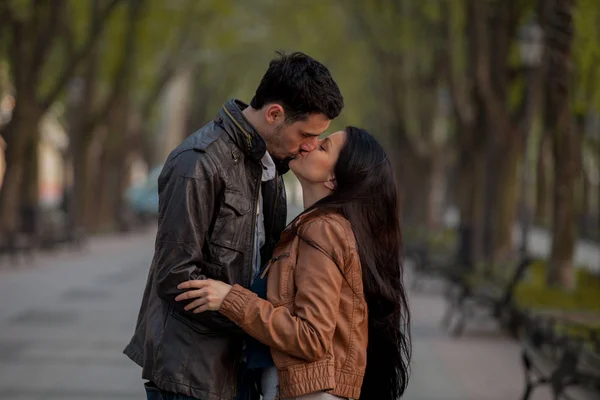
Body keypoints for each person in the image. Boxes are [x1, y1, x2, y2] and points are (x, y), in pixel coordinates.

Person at [123, 51, 344, 400]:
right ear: (274, 114)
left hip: (241, 367)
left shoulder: (270, 166)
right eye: (306, 133)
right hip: (191, 375)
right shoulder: (198, 162)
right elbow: (176, 277)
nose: (310, 146)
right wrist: (252, 316)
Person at [176, 127, 412, 400]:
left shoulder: (323, 229)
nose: (309, 145)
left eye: (323, 147)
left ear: (334, 179)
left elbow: (311, 336)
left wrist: (230, 298)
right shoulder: (321, 227)